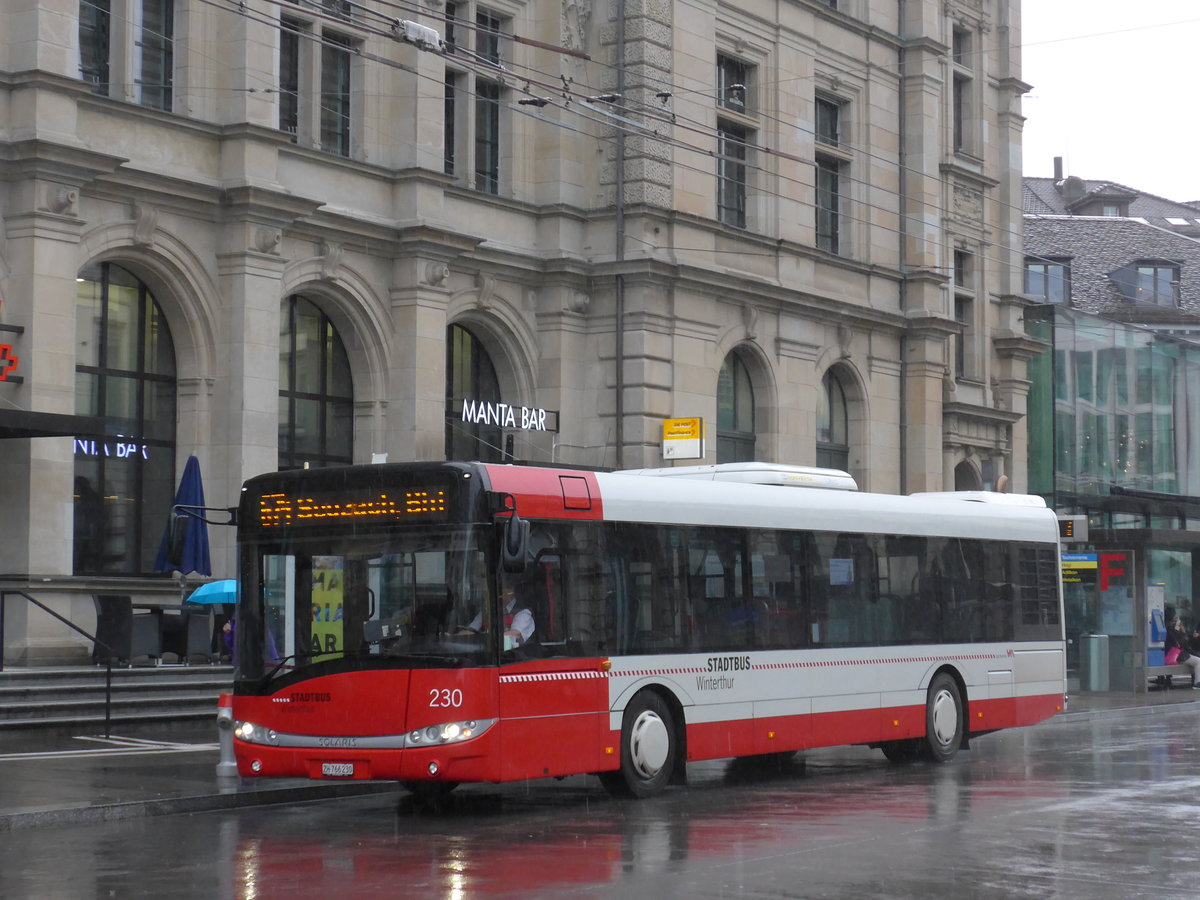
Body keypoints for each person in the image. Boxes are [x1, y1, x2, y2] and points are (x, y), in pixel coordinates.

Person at [460, 578, 535, 649]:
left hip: (514, 655)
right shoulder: (487, 610)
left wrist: (484, 638)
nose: (494, 592)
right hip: (487, 652)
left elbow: (515, 634)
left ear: (510, 590)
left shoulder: (523, 612)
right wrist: (454, 637)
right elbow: (471, 630)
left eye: (499, 588)